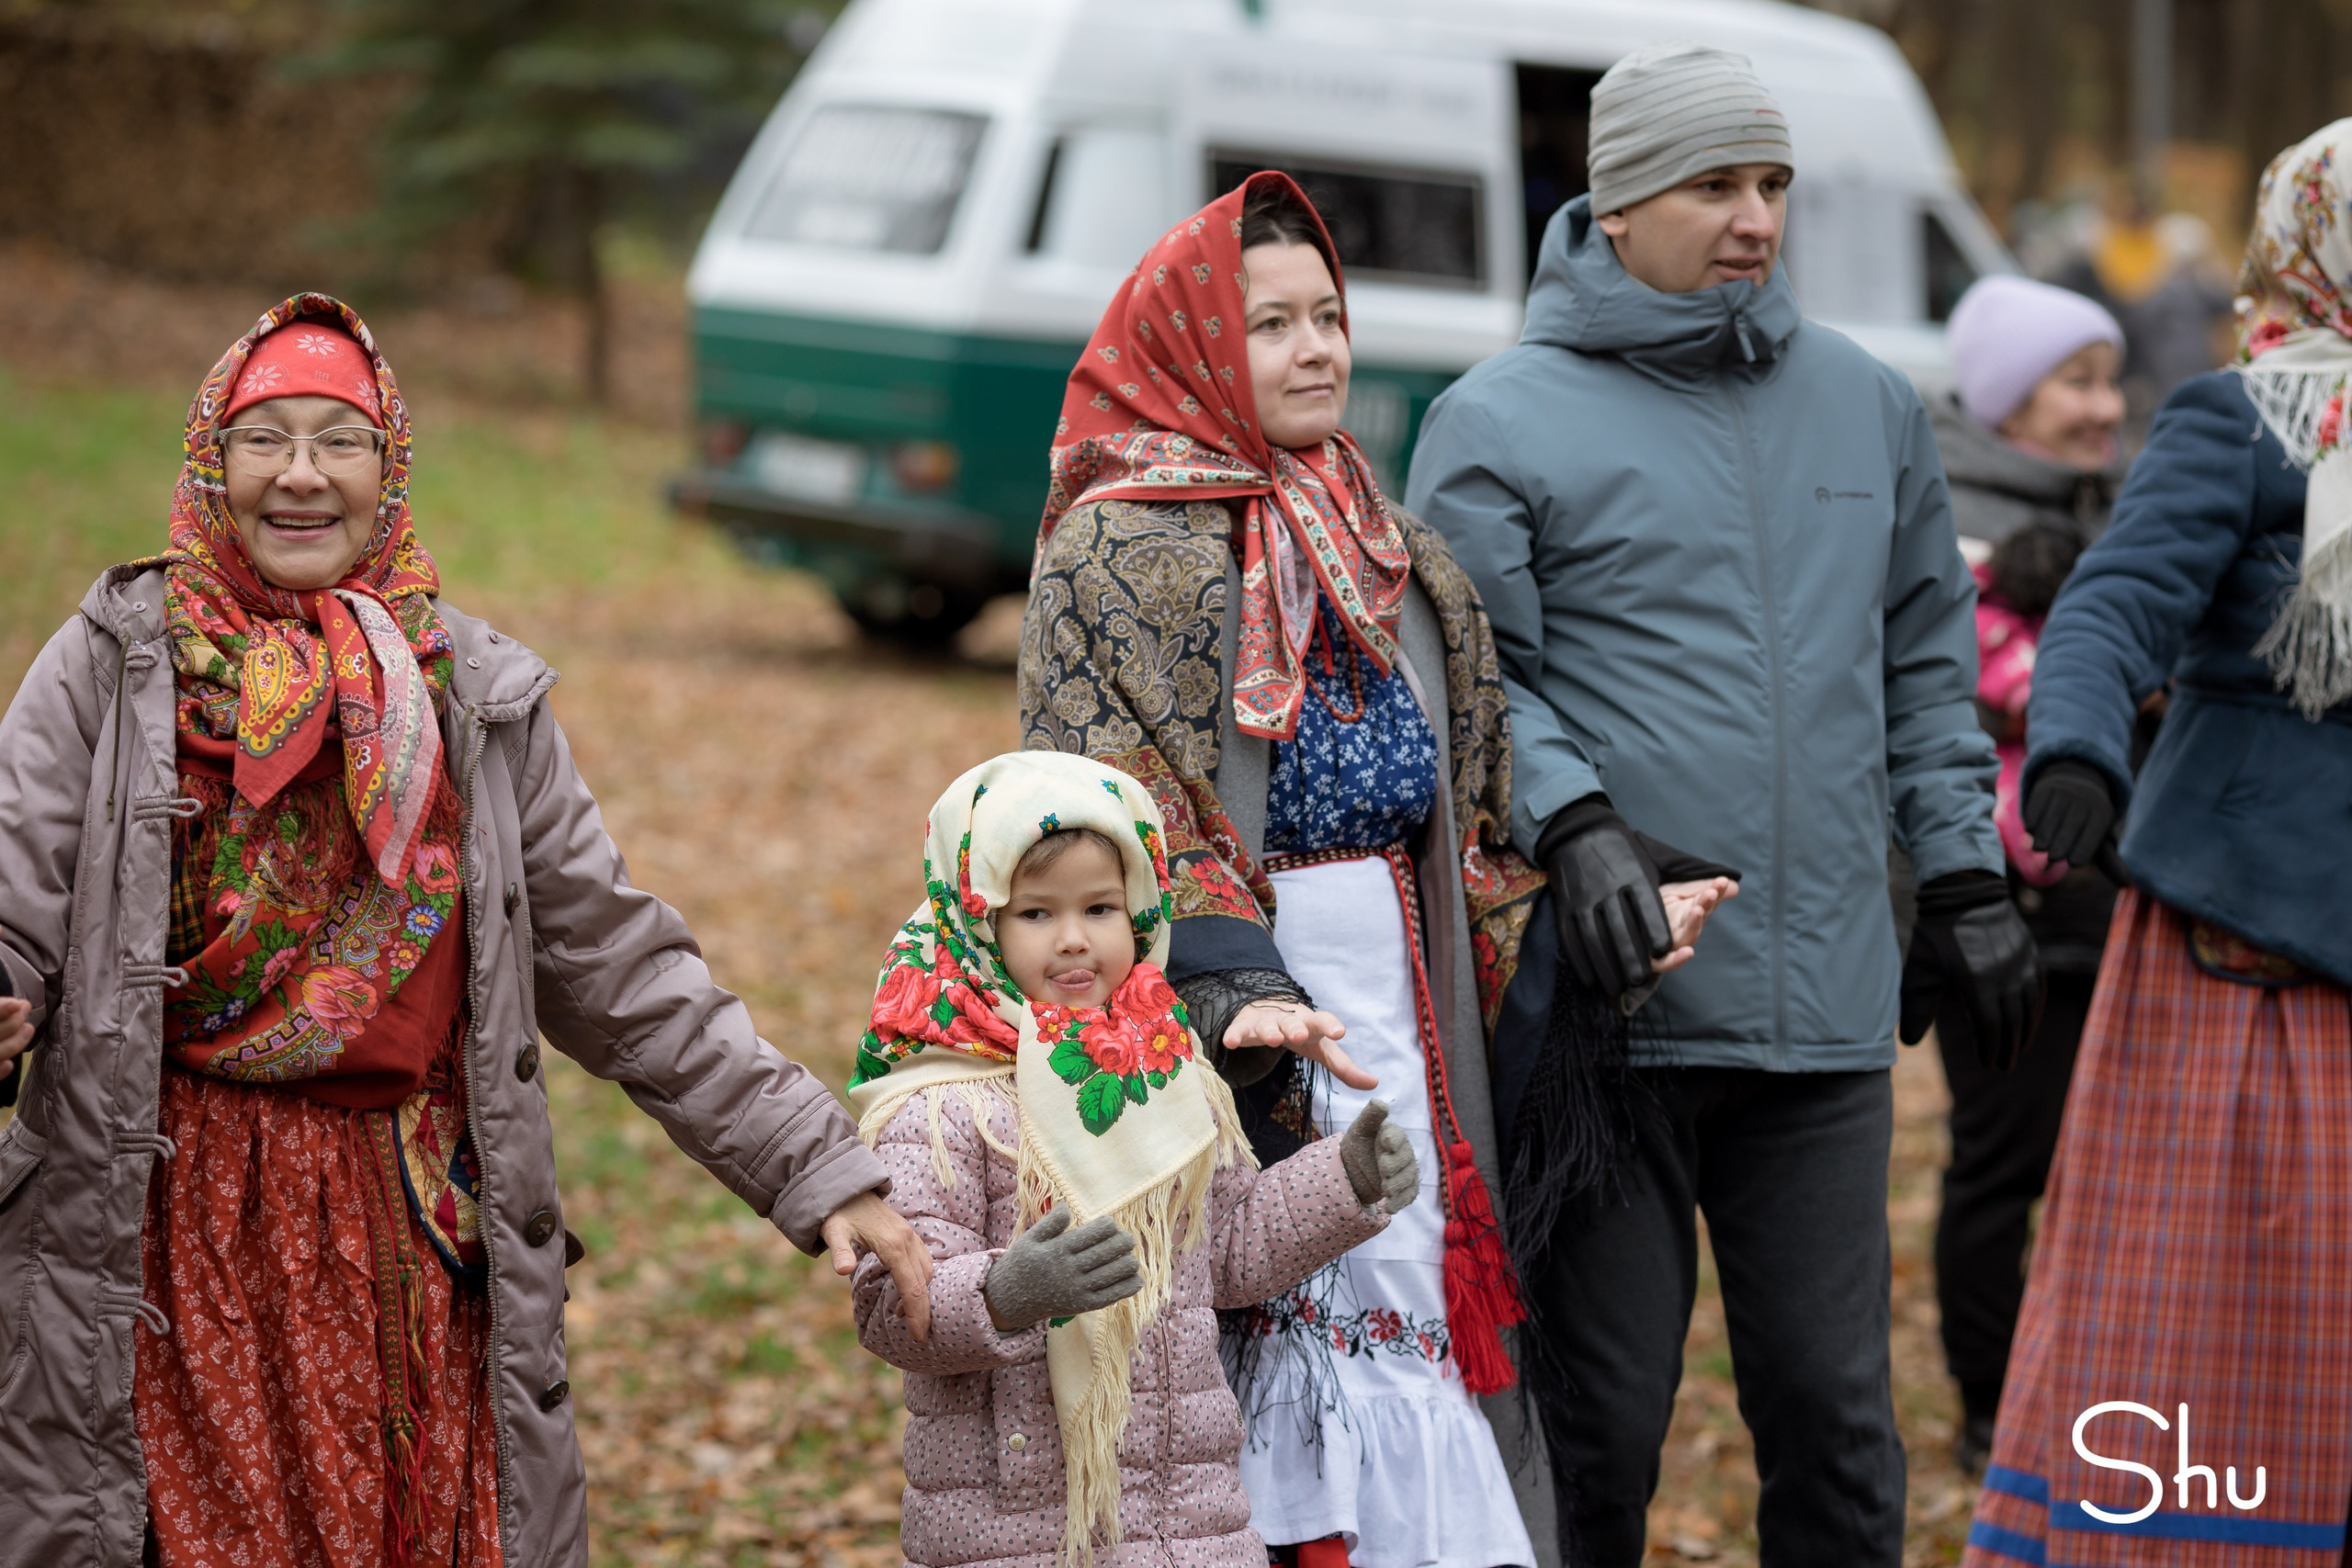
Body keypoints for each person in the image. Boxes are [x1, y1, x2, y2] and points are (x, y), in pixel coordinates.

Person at [0, 297, 933, 1568]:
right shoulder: (112, 665)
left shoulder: (473, 696)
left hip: (404, 1241)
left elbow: (616, 964)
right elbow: (16, 882)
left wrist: (814, 1163)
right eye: (264, 439)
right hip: (173, 1235)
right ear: (209, 466)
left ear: (391, 472)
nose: (302, 474)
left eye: (341, 439)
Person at [1017, 173, 1734, 1568]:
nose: (1315, 348)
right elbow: (1104, 813)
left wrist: (1607, 898)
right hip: (1232, 1024)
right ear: (1196, 344)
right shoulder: (1113, 550)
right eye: (1270, 321)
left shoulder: (1397, 553)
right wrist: (1238, 996)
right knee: (1267, 1335)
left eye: (1329, 315)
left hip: (1407, 1013)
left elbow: (1465, 818)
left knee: (1413, 1298)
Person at [1404, 42, 2039, 1567]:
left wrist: (1960, 871)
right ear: (1618, 201)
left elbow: (1923, 667)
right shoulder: (1495, 419)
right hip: (1607, 1013)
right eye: (1715, 185)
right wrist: (1579, 823)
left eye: (1773, 185)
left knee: (1835, 1425)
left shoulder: (1871, 408)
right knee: (1601, 1431)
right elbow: (1472, 684)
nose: (1756, 218)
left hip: (1821, 1011)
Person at [1962, 122, 2352, 1568]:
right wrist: (2073, 750)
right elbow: (2112, 609)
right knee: (2221, 1307)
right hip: (2247, 947)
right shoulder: (2240, 419)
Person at [849, 750, 1420, 1568]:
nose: (1075, 939)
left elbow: (1225, 1249)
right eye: (1037, 913)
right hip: (1019, 1528)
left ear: (1142, 912)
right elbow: (888, 1306)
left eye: (1101, 906)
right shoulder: (941, 1102)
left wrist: (1343, 1181)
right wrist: (1008, 1294)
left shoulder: (1166, 1068)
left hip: (1189, 1519)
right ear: (977, 921)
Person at [1928, 275, 2132, 1473]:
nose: (2109, 406)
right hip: (1995, 898)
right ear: (2011, 399)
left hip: (2122, 895)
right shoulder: (1945, 514)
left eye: (2112, 376)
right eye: (2079, 381)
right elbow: (1970, 680)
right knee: (2004, 1158)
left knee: (2120, 1174)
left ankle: (2104, 1394)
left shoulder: (2132, 500)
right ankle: (1993, 1405)